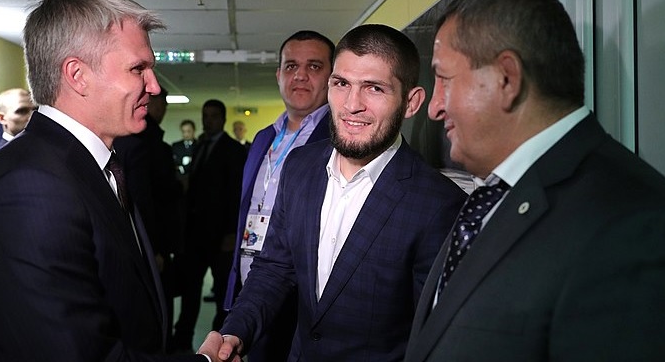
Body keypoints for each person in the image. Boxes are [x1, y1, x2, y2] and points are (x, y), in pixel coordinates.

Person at [402, 0, 665, 362]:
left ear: (506, 78)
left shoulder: (641, 235)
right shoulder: (494, 197)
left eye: (444, 79)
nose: (434, 108)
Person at [0, 0, 208, 361]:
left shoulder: (91, 166)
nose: (154, 87)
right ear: (77, 75)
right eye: (138, 69)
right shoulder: (29, 187)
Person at [200, 24, 467, 362]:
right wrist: (235, 332)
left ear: (410, 102)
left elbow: (434, 333)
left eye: (374, 88)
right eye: (341, 84)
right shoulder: (299, 167)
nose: (351, 105)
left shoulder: (439, 204)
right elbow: (274, 267)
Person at [224, 30, 335, 361]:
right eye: (291, 66)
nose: (300, 75)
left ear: (332, 77)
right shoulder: (263, 138)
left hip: (301, 299)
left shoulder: (337, 139)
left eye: (314, 66)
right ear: (278, 75)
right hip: (251, 289)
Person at [171, 99, 247, 352]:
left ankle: (220, 344)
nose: (208, 121)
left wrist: (231, 232)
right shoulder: (200, 146)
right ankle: (181, 343)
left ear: (223, 119)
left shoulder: (233, 150)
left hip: (221, 235)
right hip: (195, 234)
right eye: (205, 116)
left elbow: (237, 194)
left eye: (213, 116)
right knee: (190, 291)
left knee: (224, 294)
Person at [113, 86, 185, 343]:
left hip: (131, 239)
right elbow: (144, 200)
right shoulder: (143, 143)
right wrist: (155, 247)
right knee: (158, 302)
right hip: (152, 240)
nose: (162, 109)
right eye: (161, 103)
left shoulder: (121, 140)